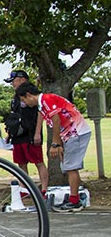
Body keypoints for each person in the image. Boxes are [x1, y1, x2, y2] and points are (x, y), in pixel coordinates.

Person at [17, 83, 91, 212]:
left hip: (76, 132)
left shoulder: (46, 99)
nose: (25, 103)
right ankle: (74, 197)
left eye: (24, 100)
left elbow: (56, 120)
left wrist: (55, 144)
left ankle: (75, 201)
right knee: (67, 166)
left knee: (71, 167)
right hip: (69, 133)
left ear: (29, 95)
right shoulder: (42, 104)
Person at [4, 70, 49, 193]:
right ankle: (24, 189)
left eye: (14, 81)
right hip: (18, 134)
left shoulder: (33, 93)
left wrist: (37, 132)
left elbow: (41, 112)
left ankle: (44, 189)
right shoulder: (15, 97)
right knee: (21, 163)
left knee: (38, 161)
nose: (13, 84)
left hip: (31, 133)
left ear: (22, 79)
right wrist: (9, 134)